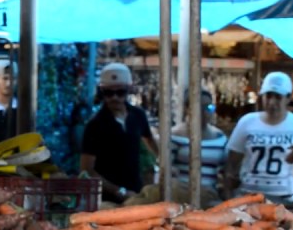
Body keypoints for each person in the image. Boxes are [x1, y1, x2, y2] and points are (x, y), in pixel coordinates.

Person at [224, 72, 293, 204]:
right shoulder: (247, 122)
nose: (272, 102)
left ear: (288, 98)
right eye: (268, 96)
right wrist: (229, 196)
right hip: (247, 198)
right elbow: (232, 162)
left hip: (288, 200)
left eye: (278, 97)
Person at [80, 63, 157, 202]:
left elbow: (149, 141)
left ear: (128, 90)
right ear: (102, 92)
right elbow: (87, 170)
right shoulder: (95, 125)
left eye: (120, 92)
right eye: (109, 93)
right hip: (106, 199)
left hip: (135, 191)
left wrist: (162, 164)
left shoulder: (138, 115)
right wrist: (119, 191)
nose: (114, 97)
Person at [170, 89, 228, 204]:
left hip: (211, 198)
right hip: (180, 197)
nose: (205, 112)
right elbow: (165, 169)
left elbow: (225, 171)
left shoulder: (220, 137)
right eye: (200, 107)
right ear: (187, 108)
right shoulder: (174, 135)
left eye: (209, 107)